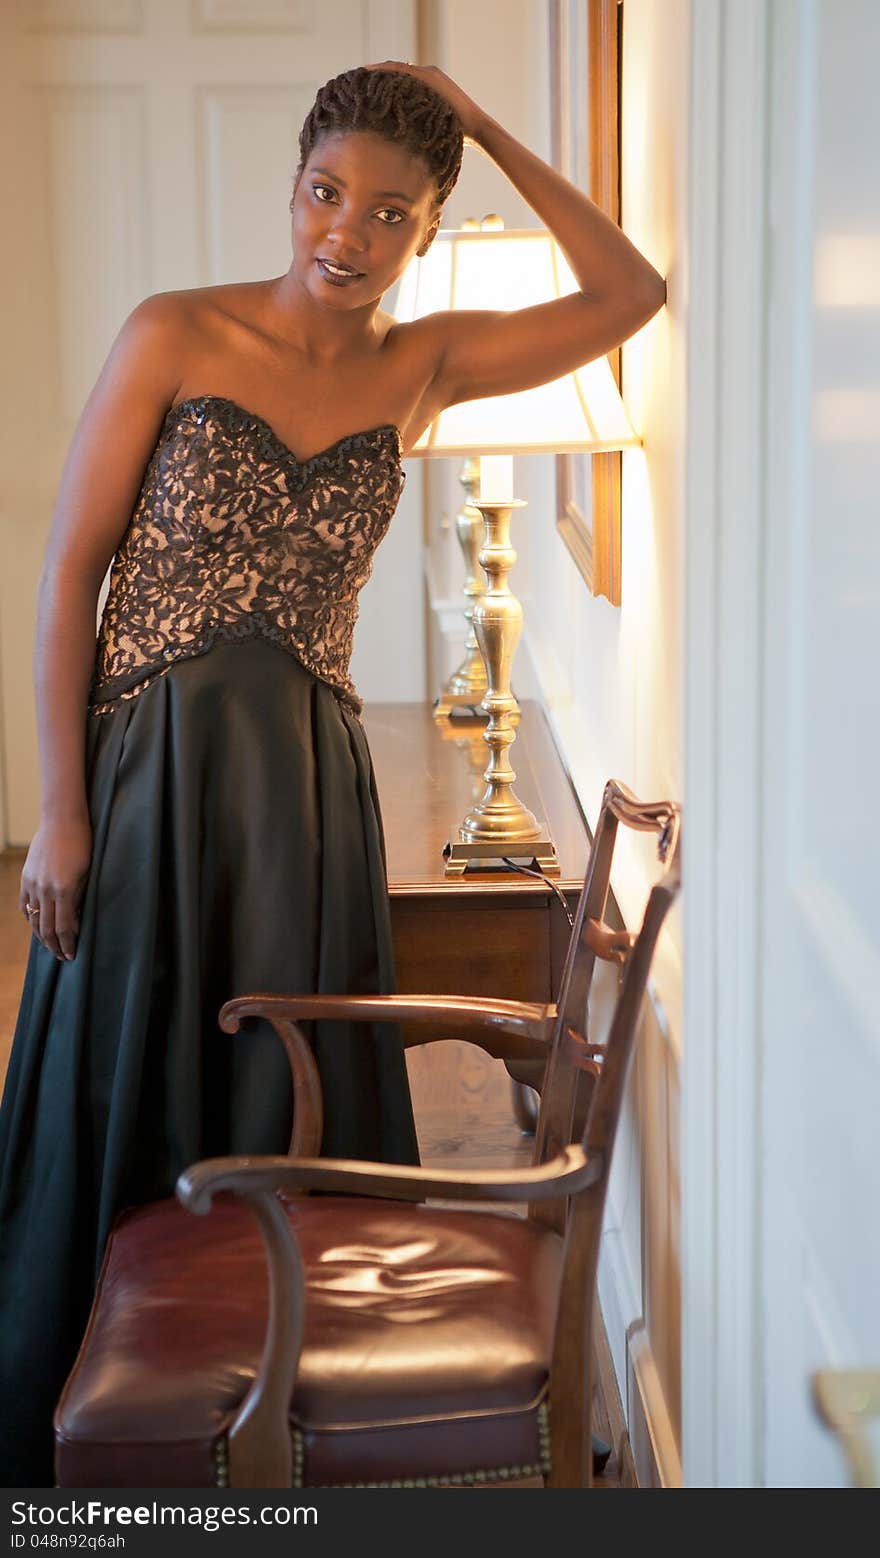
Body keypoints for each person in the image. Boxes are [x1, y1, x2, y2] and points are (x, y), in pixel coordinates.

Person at [0, 62, 666, 1486]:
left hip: (306, 793)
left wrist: (484, 128)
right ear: (292, 182)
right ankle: (96, 1438)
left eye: (389, 213)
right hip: (142, 779)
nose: (346, 234)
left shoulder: (421, 366)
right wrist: (57, 811)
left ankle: (272, 1431)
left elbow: (629, 296)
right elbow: (69, 578)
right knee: (116, 1080)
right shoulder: (175, 333)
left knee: (274, 1099)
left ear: (424, 232)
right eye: (327, 193)